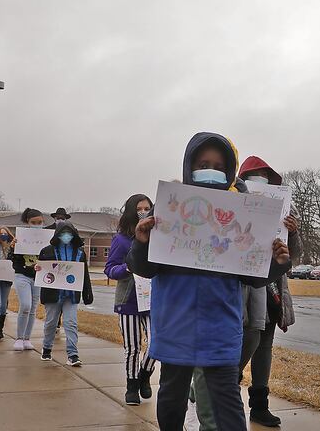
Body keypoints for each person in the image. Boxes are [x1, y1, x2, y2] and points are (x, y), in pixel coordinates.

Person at [127, 132, 292, 431]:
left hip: (220, 323)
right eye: (203, 163)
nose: (210, 169)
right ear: (189, 165)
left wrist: (279, 264)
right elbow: (143, 268)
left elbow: (252, 278)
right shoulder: (167, 207)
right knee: (172, 396)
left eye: (218, 165)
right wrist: (140, 242)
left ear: (229, 170)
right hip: (176, 321)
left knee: (227, 400)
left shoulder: (239, 212)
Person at [236, 156, 301, 427]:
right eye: (255, 176)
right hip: (244, 289)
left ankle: (259, 405)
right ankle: (224, 384)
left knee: (265, 347)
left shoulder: (285, 211)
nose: (260, 180)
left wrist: (293, 234)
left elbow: (293, 256)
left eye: (265, 176)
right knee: (244, 343)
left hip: (272, 288)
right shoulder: (234, 204)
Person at [105, 193, 157, 406]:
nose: (143, 212)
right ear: (131, 212)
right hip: (129, 300)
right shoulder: (121, 239)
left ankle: (145, 374)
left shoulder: (157, 236)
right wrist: (127, 267)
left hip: (153, 300)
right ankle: (131, 384)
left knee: (157, 342)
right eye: (139, 209)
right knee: (133, 347)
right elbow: (110, 268)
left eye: (147, 208)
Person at [37, 222, 93, 367]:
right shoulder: (47, 251)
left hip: (71, 295)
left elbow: (84, 274)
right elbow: (41, 271)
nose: (66, 236)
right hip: (53, 294)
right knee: (51, 323)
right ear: (58, 235)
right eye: (63, 233)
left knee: (71, 323)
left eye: (69, 233)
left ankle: (73, 354)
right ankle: (47, 348)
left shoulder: (80, 253)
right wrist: (36, 269)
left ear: (74, 235)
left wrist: (88, 293)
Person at [11, 208, 45, 351]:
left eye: (40, 222)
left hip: (37, 276)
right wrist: (14, 247)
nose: (37, 224)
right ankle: (19, 338)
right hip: (22, 275)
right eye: (34, 222)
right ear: (27, 222)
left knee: (33, 308)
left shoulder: (46, 237)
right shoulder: (20, 237)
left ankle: (26, 338)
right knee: (25, 305)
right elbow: (12, 260)